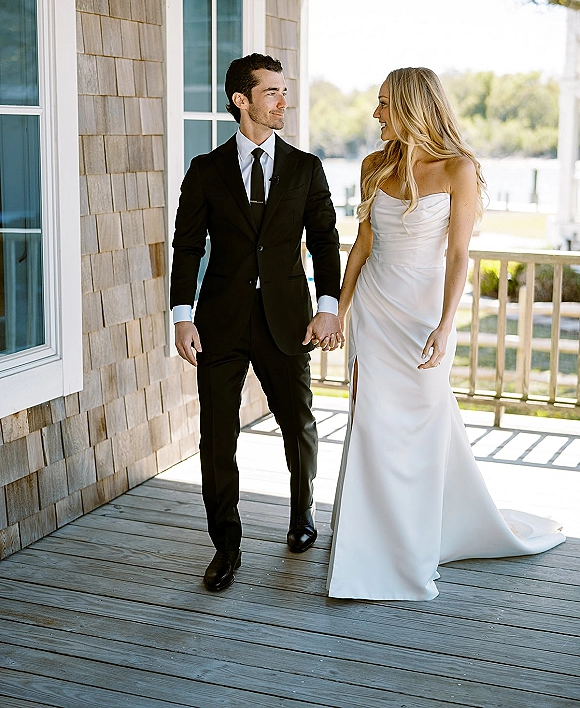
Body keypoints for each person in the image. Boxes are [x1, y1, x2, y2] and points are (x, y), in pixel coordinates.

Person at [327, 67, 565, 601]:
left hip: (423, 315)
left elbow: (460, 255)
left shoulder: (459, 170)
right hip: (375, 308)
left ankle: (421, 538)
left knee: (422, 428)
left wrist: (444, 323)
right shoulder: (372, 166)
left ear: (412, 105)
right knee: (370, 425)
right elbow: (361, 249)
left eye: (385, 103)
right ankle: (369, 549)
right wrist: (339, 312)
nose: (376, 114)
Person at [171, 53, 342, 592]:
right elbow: (187, 246)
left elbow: (324, 241)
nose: (283, 101)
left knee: (299, 427)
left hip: (288, 319)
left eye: (284, 91)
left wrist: (328, 304)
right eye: (272, 92)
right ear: (241, 100)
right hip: (219, 322)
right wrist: (182, 314)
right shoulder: (205, 170)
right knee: (217, 439)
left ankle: (302, 513)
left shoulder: (305, 167)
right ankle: (226, 546)